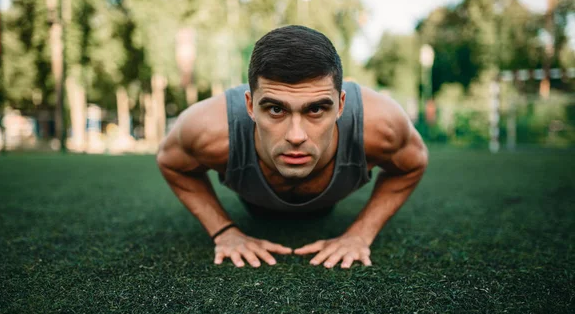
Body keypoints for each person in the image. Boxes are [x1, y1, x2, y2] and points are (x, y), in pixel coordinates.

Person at [157, 25, 428, 269]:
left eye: (316, 109)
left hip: (326, 203)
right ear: (250, 105)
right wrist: (224, 231)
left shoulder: (382, 125)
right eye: (276, 109)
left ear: (341, 105)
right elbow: (171, 162)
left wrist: (360, 233)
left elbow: (413, 164)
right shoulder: (208, 129)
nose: (296, 136)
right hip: (256, 205)